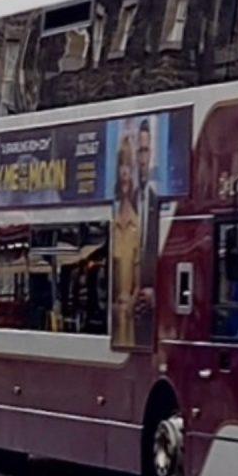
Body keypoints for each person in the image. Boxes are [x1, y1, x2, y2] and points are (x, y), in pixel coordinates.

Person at [110, 137, 141, 348]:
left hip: (128, 314)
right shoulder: (110, 224)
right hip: (112, 314)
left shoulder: (136, 226)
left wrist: (131, 301)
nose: (124, 172)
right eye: (121, 166)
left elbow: (138, 281)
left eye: (128, 167)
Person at [132, 118, 159, 348]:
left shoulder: (156, 201)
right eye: (139, 152)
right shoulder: (121, 203)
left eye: (146, 151)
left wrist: (154, 292)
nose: (143, 159)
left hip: (152, 325)